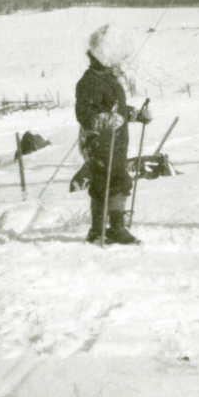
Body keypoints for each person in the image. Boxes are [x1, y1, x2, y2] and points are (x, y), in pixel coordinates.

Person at [75, 23, 152, 244]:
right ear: (103, 58)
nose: (120, 64)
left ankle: (110, 229)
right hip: (97, 142)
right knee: (108, 181)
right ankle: (103, 230)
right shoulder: (89, 81)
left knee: (114, 180)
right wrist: (101, 120)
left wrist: (136, 115)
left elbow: (114, 109)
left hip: (116, 141)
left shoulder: (109, 79)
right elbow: (84, 113)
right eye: (116, 60)